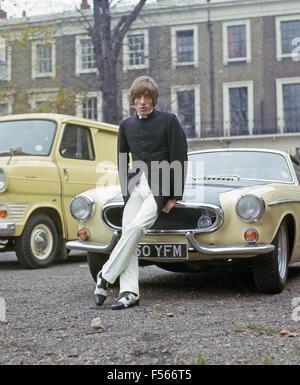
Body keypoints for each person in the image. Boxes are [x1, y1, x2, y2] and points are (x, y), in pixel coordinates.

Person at [94, 76, 188, 310]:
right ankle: (129, 292)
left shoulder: (169, 121)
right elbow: (121, 159)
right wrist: (126, 193)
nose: (143, 102)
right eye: (138, 97)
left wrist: (174, 195)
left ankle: (105, 275)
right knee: (129, 235)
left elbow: (179, 157)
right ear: (133, 101)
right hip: (135, 186)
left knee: (136, 229)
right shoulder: (125, 125)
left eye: (147, 97)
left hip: (160, 186)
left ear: (154, 100)